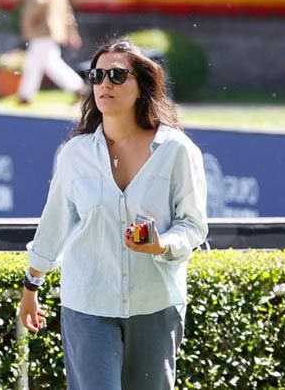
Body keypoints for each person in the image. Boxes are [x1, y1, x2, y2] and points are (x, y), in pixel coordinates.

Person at [18, 39, 208, 390]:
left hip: (155, 303)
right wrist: (32, 284)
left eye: (118, 75)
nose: (105, 83)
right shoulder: (75, 154)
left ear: (142, 87)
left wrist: (161, 244)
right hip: (87, 303)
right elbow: (54, 223)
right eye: (97, 75)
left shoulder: (177, 151)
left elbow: (193, 225)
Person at [18, 0, 85, 104]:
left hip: (42, 27)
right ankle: (25, 95)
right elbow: (66, 9)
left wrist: (29, 20)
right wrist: (71, 31)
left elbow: (38, 0)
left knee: (46, 63)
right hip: (54, 28)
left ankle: (78, 88)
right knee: (38, 62)